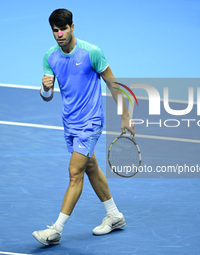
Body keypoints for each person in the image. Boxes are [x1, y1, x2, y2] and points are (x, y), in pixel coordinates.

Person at [32, 9, 135, 246]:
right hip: (69, 122)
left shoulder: (92, 52)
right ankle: (115, 215)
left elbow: (113, 84)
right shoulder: (50, 57)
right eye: (55, 31)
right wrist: (45, 88)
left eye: (63, 29)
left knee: (75, 173)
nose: (59, 34)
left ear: (72, 27)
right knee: (90, 168)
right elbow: (47, 97)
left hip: (90, 122)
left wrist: (125, 116)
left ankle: (55, 230)